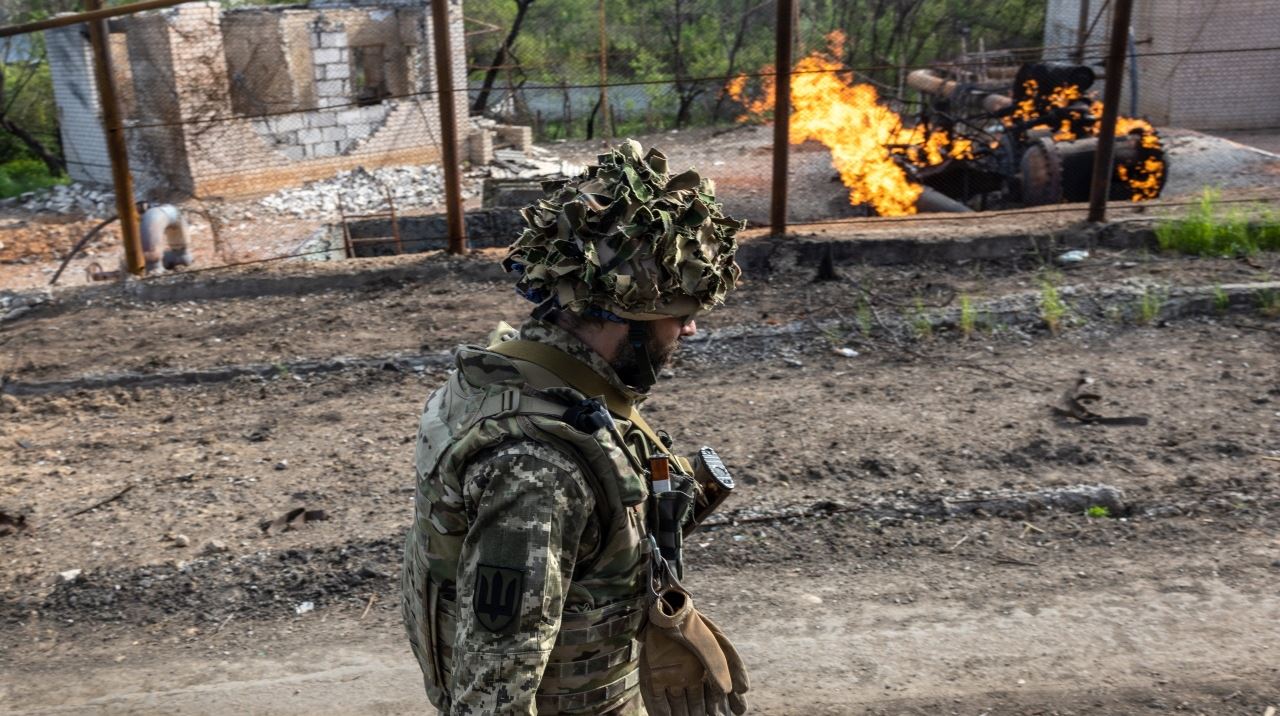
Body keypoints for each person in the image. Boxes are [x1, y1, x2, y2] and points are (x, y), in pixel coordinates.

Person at [402, 139, 749, 715]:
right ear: (625, 318)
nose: (688, 332)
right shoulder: (536, 469)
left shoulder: (521, 371)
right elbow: (494, 693)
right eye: (679, 317)